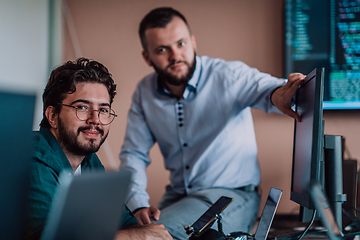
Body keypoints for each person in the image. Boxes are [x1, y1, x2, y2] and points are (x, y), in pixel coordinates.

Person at [119, 7, 306, 240]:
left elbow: (268, 89)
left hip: (229, 196)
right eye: (161, 49)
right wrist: (137, 203)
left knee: (147, 237)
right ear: (147, 57)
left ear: (193, 42)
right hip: (177, 195)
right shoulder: (144, 93)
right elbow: (133, 154)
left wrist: (281, 94)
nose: (175, 56)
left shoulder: (227, 75)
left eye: (181, 44)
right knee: (120, 228)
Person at [26, 58, 172, 240]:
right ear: (53, 116)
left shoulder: (89, 160)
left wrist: (147, 232)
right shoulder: (31, 159)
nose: (95, 119)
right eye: (82, 107)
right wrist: (136, 236)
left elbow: (124, 223)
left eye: (103, 110)